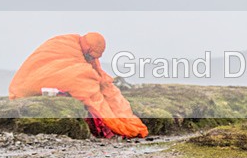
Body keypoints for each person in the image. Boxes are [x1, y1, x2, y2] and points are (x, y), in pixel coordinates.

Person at [9, 32, 148, 138]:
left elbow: (100, 78)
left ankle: (123, 122)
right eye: (92, 55)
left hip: (22, 88)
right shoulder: (66, 45)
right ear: (88, 48)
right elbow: (77, 77)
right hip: (25, 87)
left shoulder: (82, 49)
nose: (92, 59)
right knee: (85, 79)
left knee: (101, 85)